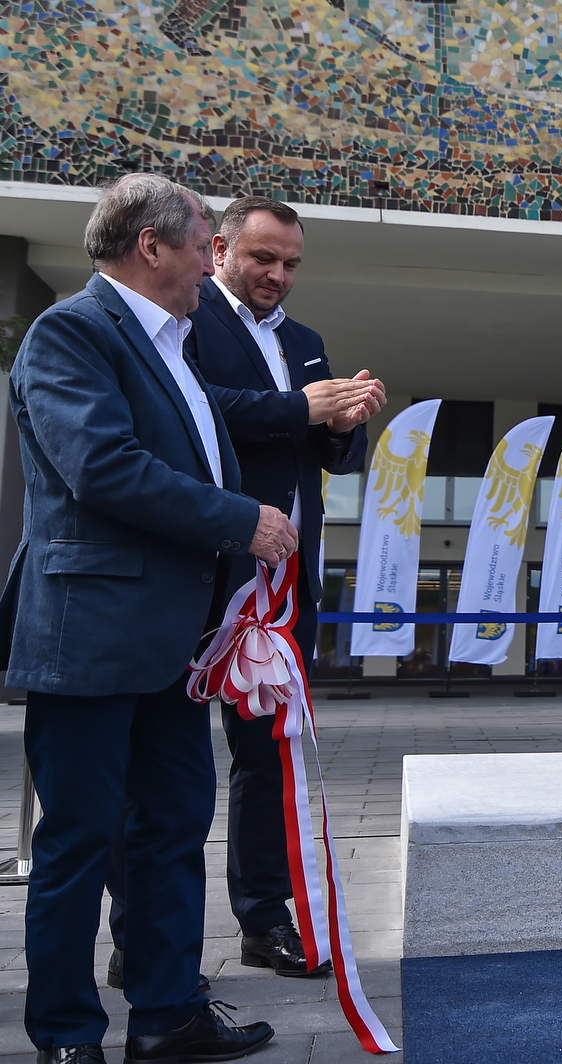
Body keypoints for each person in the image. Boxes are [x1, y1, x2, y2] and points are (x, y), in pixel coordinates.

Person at [1, 173, 291, 1063]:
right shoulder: (70, 333)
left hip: (178, 642)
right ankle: (63, 1034)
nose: (218, 259)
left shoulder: (181, 343)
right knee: (79, 843)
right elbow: (105, 468)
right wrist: (242, 521)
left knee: (170, 830)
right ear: (151, 246)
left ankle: (167, 1015)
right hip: (90, 637)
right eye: (208, 242)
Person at [148, 196, 379, 982]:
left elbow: (327, 454)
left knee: (267, 757)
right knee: (161, 765)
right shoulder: (181, 318)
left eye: (290, 265)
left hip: (283, 586)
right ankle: (141, 935)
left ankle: (266, 920)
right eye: (263, 260)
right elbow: (187, 412)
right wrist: (297, 406)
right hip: (199, 572)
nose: (278, 276)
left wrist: (344, 419)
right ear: (218, 249)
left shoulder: (306, 343)